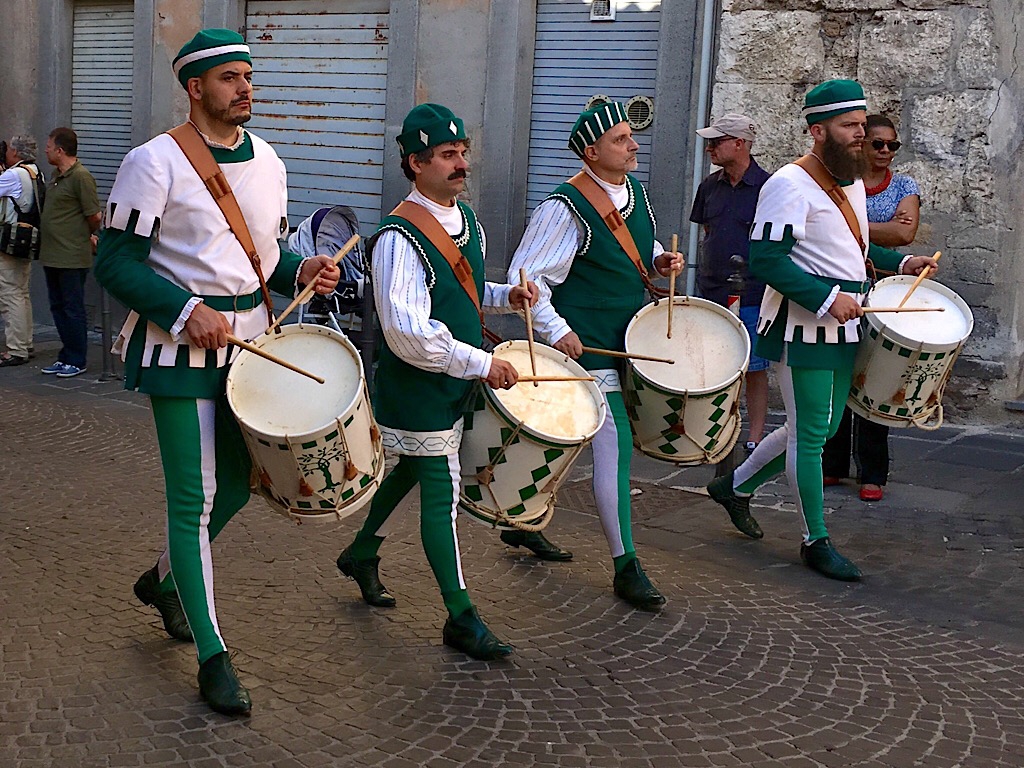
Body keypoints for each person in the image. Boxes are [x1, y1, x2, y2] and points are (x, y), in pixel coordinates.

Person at [94, 29, 341, 716]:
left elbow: (264, 261)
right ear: (195, 86)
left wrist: (304, 270)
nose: (245, 88)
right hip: (178, 353)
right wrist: (183, 310)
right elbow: (113, 262)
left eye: (248, 76)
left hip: (252, 348)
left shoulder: (270, 161)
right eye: (230, 77)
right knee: (194, 498)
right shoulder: (153, 162)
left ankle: (162, 581)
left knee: (238, 485)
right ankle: (212, 653)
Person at [705, 81, 938, 581]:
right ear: (818, 131)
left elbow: (853, 248)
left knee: (822, 429)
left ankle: (735, 487)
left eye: (862, 124)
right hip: (803, 326)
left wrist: (903, 262)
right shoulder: (788, 184)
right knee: (811, 437)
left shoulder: (848, 179)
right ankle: (815, 539)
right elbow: (766, 259)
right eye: (849, 126)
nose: (861, 134)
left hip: (845, 325)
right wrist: (829, 300)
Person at [335, 103, 538, 661]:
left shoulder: (467, 221)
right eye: (448, 155)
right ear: (415, 164)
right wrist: (481, 362)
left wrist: (505, 296)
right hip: (418, 387)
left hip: (452, 380)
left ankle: (360, 553)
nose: (461, 163)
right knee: (441, 492)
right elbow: (407, 332)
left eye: (463, 152)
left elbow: (459, 293)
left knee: (410, 471)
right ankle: (460, 615)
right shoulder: (398, 238)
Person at [508, 102, 683, 610]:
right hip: (585, 347)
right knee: (616, 445)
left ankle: (521, 521)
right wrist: (558, 330)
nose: (633, 145)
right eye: (620, 139)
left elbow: (633, 247)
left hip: (628, 341)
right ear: (591, 152)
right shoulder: (563, 208)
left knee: (562, 442)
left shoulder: (635, 192)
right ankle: (626, 565)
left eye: (631, 136)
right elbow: (527, 278)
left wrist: (659, 260)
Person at [822, 114, 921, 502]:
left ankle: (873, 471)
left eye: (892, 145)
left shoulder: (904, 185)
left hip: (885, 292)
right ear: (862, 145)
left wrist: (853, 225)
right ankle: (832, 463)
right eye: (877, 143)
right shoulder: (845, 182)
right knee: (840, 375)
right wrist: (875, 227)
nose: (885, 151)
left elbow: (905, 233)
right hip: (845, 288)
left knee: (876, 378)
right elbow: (837, 228)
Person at [689, 113, 772, 451]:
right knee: (710, 364)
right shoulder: (709, 186)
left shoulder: (768, 188)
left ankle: (754, 435)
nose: (709, 148)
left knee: (754, 367)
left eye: (716, 142)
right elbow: (707, 231)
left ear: (739, 144)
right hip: (712, 290)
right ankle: (712, 430)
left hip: (753, 292)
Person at [38, 127, 102, 378]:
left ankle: (77, 359)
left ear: (60, 150)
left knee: (72, 308)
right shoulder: (56, 176)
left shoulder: (81, 177)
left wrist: (84, 235)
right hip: (52, 254)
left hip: (72, 255)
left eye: (49, 146)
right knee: (58, 307)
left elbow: (94, 216)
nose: (45, 150)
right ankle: (65, 356)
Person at [0, 135, 42, 367]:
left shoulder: (14, 175)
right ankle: (25, 343)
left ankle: (16, 349)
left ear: (15, 152)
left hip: (10, 239)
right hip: (26, 238)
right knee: (21, 292)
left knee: (10, 294)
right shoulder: (35, 171)